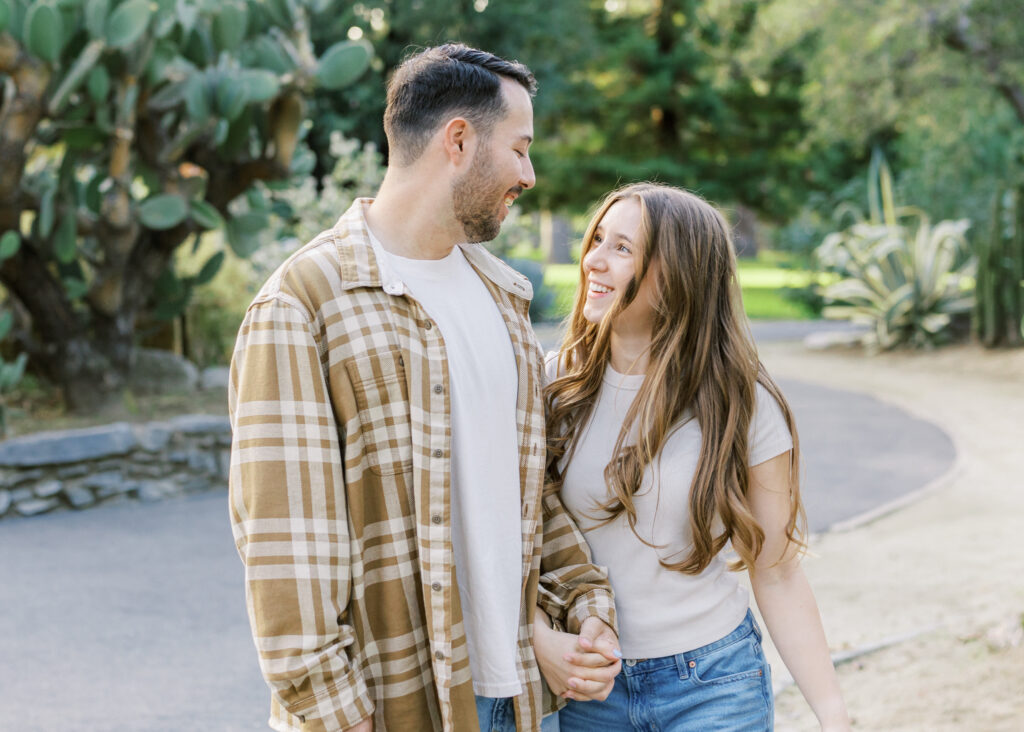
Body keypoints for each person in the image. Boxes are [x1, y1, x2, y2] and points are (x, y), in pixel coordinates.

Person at [228, 44, 620, 732]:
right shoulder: (304, 304)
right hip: (394, 706)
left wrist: (582, 608)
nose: (529, 173)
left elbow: (530, 491)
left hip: (520, 702)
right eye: (520, 148)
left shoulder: (504, 298)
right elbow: (287, 552)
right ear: (459, 141)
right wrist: (337, 717)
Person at [534, 183, 851, 731]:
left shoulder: (741, 402)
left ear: (677, 274)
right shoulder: (553, 383)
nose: (593, 260)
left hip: (713, 686)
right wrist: (542, 643)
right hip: (589, 691)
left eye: (622, 249)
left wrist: (833, 713)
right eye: (598, 240)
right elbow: (512, 545)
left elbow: (775, 573)